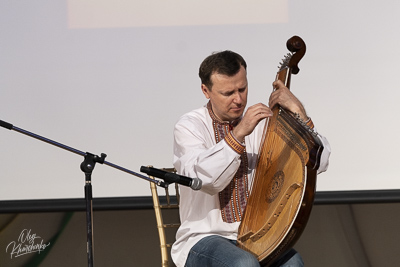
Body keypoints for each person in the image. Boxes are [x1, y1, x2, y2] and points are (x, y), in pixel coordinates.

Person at [171, 50, 331, 267]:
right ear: (205, 91)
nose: (238, 100)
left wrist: (299, 112)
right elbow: (207, 181)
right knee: (243, 264)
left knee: (293, 263)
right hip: (204, 237)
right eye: (228, 93)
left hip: (257, 236)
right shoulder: (189, 126)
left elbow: (319, 162)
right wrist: (238, 134)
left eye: (242, 89)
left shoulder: (264, 123)